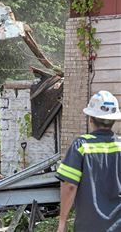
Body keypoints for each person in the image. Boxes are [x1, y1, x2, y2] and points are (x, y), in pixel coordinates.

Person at [56, 90, 121, 232]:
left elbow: (69, 186)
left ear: (90, 118)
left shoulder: (81, 146)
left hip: (89, 226)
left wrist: (62, 223)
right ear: (114, 120)